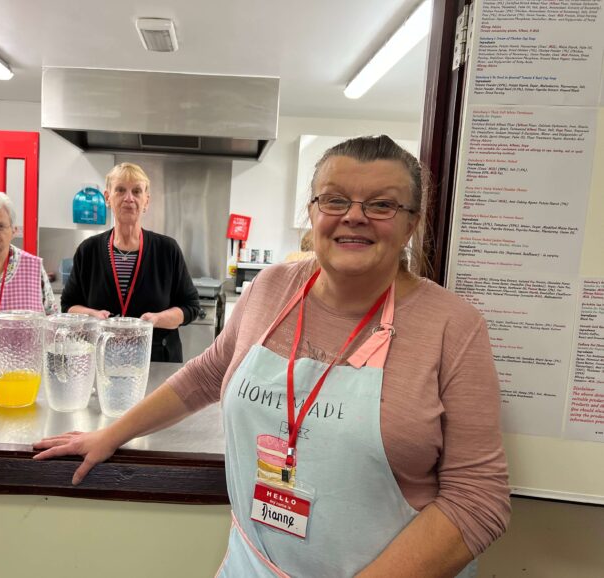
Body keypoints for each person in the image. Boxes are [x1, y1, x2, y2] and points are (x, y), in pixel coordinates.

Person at [34, 136, 510, 577]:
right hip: (252, 566)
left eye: (382, 205)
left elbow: (477, 500)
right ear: (313, 210)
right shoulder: (272, 289)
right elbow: (207, 373)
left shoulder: (454, 328)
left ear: (412, 223)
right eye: (335, 199)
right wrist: (111, 433)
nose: (354, 216)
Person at [60, 162, 200, 363]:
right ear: (108, 198)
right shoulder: (88, 250)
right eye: (120, 190)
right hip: (100, 361)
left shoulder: (167, 249)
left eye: (136, 191)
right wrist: (93, 316)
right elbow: (68, 305)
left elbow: (190, 307)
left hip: (156, 360)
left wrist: (156, 320)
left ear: (146, 201)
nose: (129, 198)